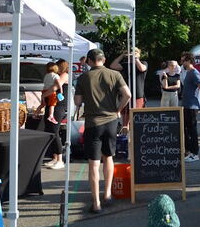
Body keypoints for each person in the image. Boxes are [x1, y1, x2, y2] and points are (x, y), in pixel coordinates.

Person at [74, 48, 131, 213]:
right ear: (104, 59)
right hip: (111, 121)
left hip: (93, 123)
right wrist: (118, 110)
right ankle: (107, 194)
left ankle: (96, 202)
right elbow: (127, 94)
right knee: (109, 157)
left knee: (93, 164)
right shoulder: (115, 74)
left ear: (90, 61)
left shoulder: (84, 78)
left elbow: (77, 101)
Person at [111, 48, 148, 126]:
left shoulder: (143, 63)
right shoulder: (126, 64)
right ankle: (126, 133)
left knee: (136, 116)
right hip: (126, 94)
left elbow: (142, 69)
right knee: (125, 117)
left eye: (135, 53)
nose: (132, 55)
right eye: (131, 54)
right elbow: (113, 66)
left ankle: (135, 133)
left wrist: (136, 59)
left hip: (138, 94)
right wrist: (122, 55)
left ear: (139, 54)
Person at [43, 59, 69, 170]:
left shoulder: (64, 75)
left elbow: (55, 87)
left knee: (54, 131)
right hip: (51, 104)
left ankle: (60, 159)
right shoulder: (54, 76)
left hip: (59, 106)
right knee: (50, 130)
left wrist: (43, 94)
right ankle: (54, 157)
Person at [181, 52, 200, 162]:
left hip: (192, 106)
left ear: (188, 61)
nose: (181, 62)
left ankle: (195, 153)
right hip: (186, 105)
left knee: (192, 130)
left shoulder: (194, 73)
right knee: (186, 129)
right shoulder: (188, 72)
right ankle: (189, 151)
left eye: (183, 60)